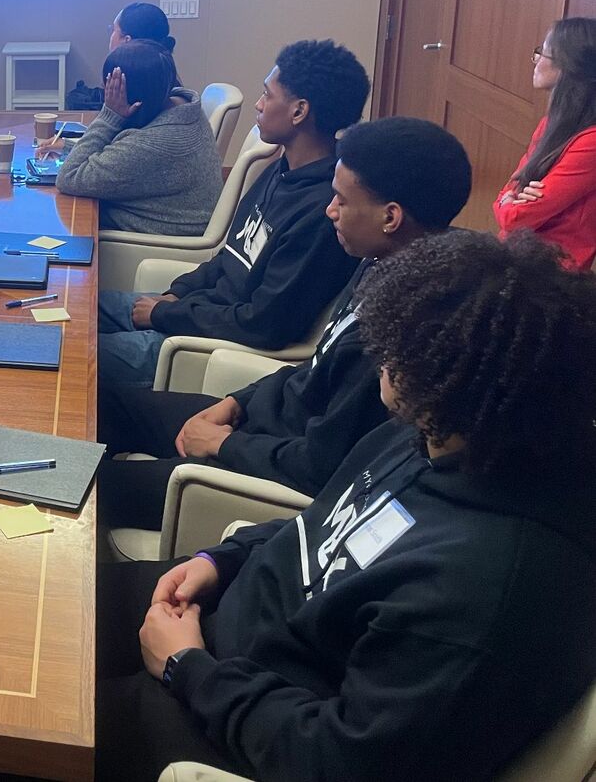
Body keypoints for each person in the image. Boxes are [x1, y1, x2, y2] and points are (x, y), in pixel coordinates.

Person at [95, 230, 596, 782]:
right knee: (46, 610)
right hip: (219, 619)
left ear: (453, 381)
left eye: (395, 352)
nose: (380, 360)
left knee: (15, 725)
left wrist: (186, 670)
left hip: (231, 726)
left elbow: (339, 761)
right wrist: (222, 560)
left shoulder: (489, 592)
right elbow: (326, 529)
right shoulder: (432, 440)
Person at [97, 117, 472, 531]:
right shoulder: (378, 262)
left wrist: (224, 445)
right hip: (261, 425)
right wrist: (236, 402)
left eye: (342, 201)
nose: (330, 211)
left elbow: (322, 462)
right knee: (103, 402)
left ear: (391, 217)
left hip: (274, 465)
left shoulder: (408, 325)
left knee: (93, 485)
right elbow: (314, 366)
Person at [97, 39, 370, 389]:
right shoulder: (281, 170)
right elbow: (229, 258)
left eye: (267, 95)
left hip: (202, 343)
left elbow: (263, 324)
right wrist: (177, 294)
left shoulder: (320, 213)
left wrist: (166, 313)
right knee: (72, 312)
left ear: (299, 111)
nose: (258, 104)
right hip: (195, 312)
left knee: (69, 350)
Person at [42, 40, 221, 235]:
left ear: (132, 101)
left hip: (156, 242)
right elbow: (120, 154)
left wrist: (109, 115)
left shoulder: (150, 144)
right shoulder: (182, 107)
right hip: (170, 216)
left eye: (109, 91)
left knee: (48, 217)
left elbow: (69, 177)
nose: (104, 92)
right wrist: (69, 146)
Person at [493, 16, 596, 270]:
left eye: (544, 52)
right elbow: (509, 191)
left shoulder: (592, 142)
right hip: (513, 255)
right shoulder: (550, 125)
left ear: (568, 65)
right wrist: (510, 199)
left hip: (553, 274)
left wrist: (510, 203)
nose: (537, 60)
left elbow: (516, 217)